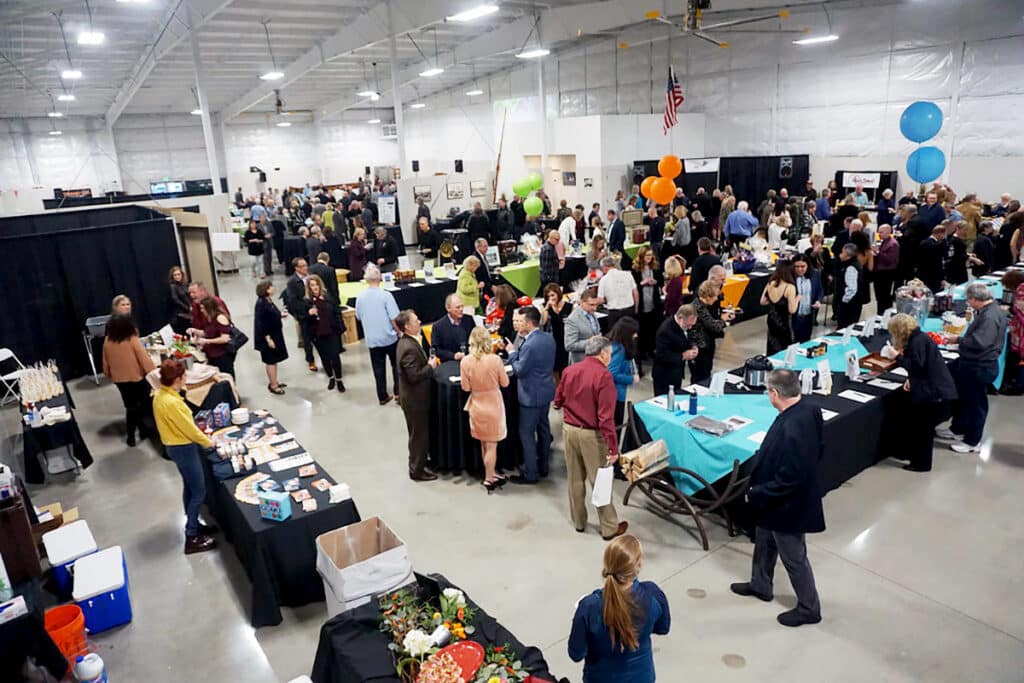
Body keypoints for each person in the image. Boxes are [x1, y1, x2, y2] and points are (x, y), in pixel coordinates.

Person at [730, 369, 823, 627]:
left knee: (794, 557)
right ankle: (761, 584)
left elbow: (791, 477)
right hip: (775, 503)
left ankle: (809, 607)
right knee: (763, 541)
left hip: (787, 505)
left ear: (775, 393)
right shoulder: (809, 409)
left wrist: (757, 492)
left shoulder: (794, 426)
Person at [568, 534, 671, 683]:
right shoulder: (653, 595)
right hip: (642, 677)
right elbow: (663, 628)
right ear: (639, 564)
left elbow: (576, 653)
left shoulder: (589, 607)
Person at [554, 335, 627, 540]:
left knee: (575, 479)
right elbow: (606, 417)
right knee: (600, 481)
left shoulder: (570, 370)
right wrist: (613, 448)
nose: (610, 359)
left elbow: (558, 398)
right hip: (591, 435)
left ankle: (578, 521)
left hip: (569, 429)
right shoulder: (603, 377)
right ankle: (609, 527)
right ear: (603, 353)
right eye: (610, 355)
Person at [152, 359, 217, 555]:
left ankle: (193, 522)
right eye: (184, 376)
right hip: (184, 448)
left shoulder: (160, 395)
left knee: (189, 487)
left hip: (174, 447)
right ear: (178, 379)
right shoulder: (172, 403)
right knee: (199, 491)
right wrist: (209, 442)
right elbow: (189, 429)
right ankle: (192, 536)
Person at [936, 283, 1007, 453]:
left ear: (976, 299)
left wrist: (957, 341)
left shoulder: (989, 316)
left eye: (969, 300)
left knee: (975, 404)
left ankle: (972, 441)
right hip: (970, 363)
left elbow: (980, 342)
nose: (968, 303)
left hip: (980, 366)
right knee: (962, 398)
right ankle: (958, 428)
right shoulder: (990, 311)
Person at [885, 314, 957, 472]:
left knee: (923, 429)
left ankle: (921, 463)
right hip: (933, 387)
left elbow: (916, 365)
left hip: (931, 393)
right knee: (920, 427)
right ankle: (912, 455)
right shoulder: (920, 338)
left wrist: (897, 357)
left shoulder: (916, 342)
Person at [505, 306, 556, 484]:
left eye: (520, 321)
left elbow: (519, 370)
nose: (517, 325)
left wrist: (512, 353)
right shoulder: (548, 338)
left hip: (530, 396)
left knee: (526, 434)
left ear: (528, 322)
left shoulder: (529, 344)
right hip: (546, 391)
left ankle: (530, 474)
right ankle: (543, 466)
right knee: (543, 429)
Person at [460, 326, 510, 492]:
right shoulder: (495, 360)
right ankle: (489, 478)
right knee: (492, 445)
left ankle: (490, 472)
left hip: (476, 404)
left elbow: (465, 388)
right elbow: (505, 383)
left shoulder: (465, 361)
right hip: (493, 405)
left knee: (484, 442)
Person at [395, 310, 440, 482]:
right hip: (415, 400)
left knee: (418, 434)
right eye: (416, 320)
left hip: (415, 398)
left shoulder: (407, 342)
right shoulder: (408, 348)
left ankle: (419, 462)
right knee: (418, 436)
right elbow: (413, 376)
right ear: (407, 326)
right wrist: (430, 366)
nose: (420, 321)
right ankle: (416, 470)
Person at [102, 313, 156, 447]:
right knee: (143, 405)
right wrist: (153, 372)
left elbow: (105, 364)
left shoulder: (107, 341)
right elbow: (144, 360)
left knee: (130, 406)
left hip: (120, 381)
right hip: (137, 379)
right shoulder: (132, 339)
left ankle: (133, 436)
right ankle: (143, 431)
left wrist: (110, 375)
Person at [355, 265, 401, 405]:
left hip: (372, 339)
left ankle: (382, 396)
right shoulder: (386, 295)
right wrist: (399, 331)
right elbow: (394, 317)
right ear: (380, 278)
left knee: (378, 368)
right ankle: (398, 392)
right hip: (389, 337)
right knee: (396, 365)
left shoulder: (360, 297)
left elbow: (358, 316)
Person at [304, 274, 345, 392]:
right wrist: (309, 314)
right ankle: (331, 377)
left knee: (335, 357)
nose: (315, 287)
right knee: (325, 358)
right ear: (309, 287)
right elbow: (304, 320)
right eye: (312, 285)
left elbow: (337, 312)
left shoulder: (328, 297)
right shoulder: (307, 302)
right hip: (318, 334)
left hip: (331, 332)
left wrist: (341, 328)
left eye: (316, 284)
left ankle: (339, 379)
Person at [630, 247, 663, 376]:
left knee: (652, 327)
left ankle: (651, 349)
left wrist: (655, 281)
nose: (649, 258)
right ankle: (642, 351)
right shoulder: (635, 270)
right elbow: (633, 286)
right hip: (642, 304)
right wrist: (643, 283)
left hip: (653, 302)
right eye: (647, 256)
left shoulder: (654, 268)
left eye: (651, 255)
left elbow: (660, 280)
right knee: (642, 328)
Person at [652, 304, 698, 396]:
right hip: (664, 376)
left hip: (676, 373)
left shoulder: (684, 325)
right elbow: (661, 355)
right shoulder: (665, 331)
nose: (690, 328)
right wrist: (684, 356)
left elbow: (687, 338)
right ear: (680, 318)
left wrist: (693, 346)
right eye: (688, 325)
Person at [690, 281, 730, 384]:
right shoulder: (699, 308)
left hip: (703, 345)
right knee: (701, 376)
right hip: (701, 348)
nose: (716, 299)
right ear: (708, 296)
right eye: (714, 296)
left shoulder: (699, 304)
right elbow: (713, 326)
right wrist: (724, 321)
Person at [253, 280, 288, 395]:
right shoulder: (261, 304)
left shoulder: (268, 301)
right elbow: (261, 323)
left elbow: (272, 314)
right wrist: (268, 339)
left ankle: (275, 381)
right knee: (270, 360)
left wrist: (279, 315)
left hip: (275, 333)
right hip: (268, 337)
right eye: (271, 287)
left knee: (275, 359)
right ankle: (273, 385)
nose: (273, 288)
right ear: (266, 289)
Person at [284, 258, 317, 372]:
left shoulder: (311, 276)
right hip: (304, 315)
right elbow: (293, 301)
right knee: (307, 339)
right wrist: (306, 311)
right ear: (296, 268)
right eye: (302, 266)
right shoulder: (292, 282)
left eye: (306, 265)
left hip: (316, 311)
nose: (305, 268)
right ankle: (310, 360)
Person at [605, 317, 639, 426]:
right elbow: (611, 373)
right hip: (615, 394)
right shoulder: (619, 349)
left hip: (612, 393)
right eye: (633, 333)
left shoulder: (611, 343)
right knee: (616, 426)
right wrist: (631, 379)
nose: (636, 336)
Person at [761, 260, 799, 355]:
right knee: (785, 346)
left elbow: (762, 301)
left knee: (772, 343)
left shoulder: (771, 283)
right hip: (784, 322)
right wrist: (797, 299)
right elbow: (792, 310)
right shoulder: (790, 287)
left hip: (772, 319)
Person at [189, 297, 234, 376]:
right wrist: (195, 331)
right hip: (212, 355)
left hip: (222, 355)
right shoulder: (209, 318)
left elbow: (225, 338)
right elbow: (209, 333)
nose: (201, 310)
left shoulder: (220, 318)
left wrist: (206, 341)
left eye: (203, 308)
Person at [541, 283, 574, 383]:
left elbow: (573, 322)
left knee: (566, 367)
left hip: (566, 339)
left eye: (552, 295)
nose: (551, 298)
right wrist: (547, 308)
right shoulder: (544, 307)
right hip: (552, 341)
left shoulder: (569, 306)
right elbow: (543, 322)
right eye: (548, 296)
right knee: (555, 368)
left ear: (558, 294)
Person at [431, 294, 477, 361]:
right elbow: (436, 349)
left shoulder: (469, 320)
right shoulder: (438, 326)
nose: (461, 309)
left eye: (462, 306)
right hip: (450, 364)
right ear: (448, 308)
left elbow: (476, 340)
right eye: (458, 307)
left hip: (470, 361)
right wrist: (453, 356)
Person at [596, 256, 638, 329]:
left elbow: (600, 300)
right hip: (629, 311)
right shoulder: (628, 274)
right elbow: (635, 293)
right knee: (630, 335)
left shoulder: (603, 280)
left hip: (615, 314)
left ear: (604, 267)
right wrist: (636, 308)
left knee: (616, 336)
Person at [565, 288, 602, 365]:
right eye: (591, 305)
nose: (595, 308)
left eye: (596, 305)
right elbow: (569, 345)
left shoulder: (591, 313)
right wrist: (590, 342)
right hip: (581, 364)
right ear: (582, 302)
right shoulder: (572, 320)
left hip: (595, 361)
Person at [791, 256, 824, 343]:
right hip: (794, 317)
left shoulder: (815, 275)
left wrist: (818, 301)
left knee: (805, 341)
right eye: (797, 267)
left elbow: (820, 290)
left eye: (802, 266)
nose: (799, 269)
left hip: (808, 316)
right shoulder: (790, 278)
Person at [835, 243, 865, 329]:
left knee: (845, 327)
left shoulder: (850, 268)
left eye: (842, 252)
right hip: (855, 302)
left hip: (850, 304)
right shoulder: (855, 263)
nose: (840, 254)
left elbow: (852, 288)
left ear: (847, 255)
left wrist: (844, 301)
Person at [872, 224, 900, 312]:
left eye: (881, 232)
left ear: (888, 232)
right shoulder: (883, 241)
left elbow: (890, 260)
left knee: (884, 296)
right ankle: (880, 312)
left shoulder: (893, 244)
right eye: (878, 232)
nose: (879, 234)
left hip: (886, 274)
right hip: (879, 273)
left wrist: (877, 252)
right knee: (879, 296)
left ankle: (884, 313)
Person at [917, 225, 948, 293]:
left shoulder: (923, 242)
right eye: (944, 234)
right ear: (940, 233)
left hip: (923, 275)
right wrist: (941, 278)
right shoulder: (936, 246)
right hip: (934, 278)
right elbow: (938, 264)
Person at [662, 255, 687, 320]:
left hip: (673, 312)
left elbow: (671, 299)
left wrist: (664, 292)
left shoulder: (674, 282)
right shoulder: (676, 279)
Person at [167, 266, 192, 334]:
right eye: (175, 275)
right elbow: (176, 300)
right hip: (181, 314)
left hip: (190, 311)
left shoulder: (186, 284)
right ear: (172, 277)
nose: (177, 276)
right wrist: (187, 308)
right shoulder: (173, 286)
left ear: (182, 275)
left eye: (178, 274)